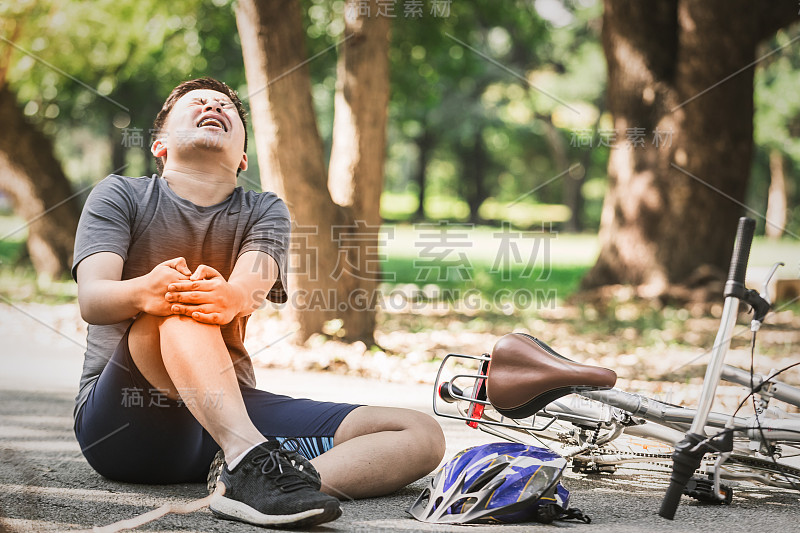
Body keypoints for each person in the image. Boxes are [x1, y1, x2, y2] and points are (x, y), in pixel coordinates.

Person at [72, 77, 446, 528]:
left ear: (243, 156)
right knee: (179, 304)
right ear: (160, 144)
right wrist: (146, 291)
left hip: (227, 415)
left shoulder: (264, 209)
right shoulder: (121, 195)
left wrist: (229, 295)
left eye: (226, 106)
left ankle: (260, 483)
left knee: (420, 434)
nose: (214, 105)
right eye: (197, 103)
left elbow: (252, 283)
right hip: (126, 423)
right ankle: (248, 456)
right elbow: (93, 300)